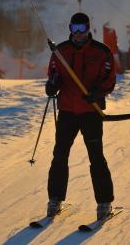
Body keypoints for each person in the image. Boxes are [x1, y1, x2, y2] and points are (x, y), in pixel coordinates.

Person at [45, 12, 116, 220]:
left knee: (96, 157)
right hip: (67, 111)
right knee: (60, 155)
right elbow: (54, 76)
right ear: (70, 29)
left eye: (81, 29)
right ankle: (55, 199)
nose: (77, 34)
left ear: (88, 29)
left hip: (90, 112)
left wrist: (99, 92)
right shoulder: (60, 52)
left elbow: (109, 80)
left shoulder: (102, 52)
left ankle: (104, 202)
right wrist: (52, 86)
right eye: (74, 29)